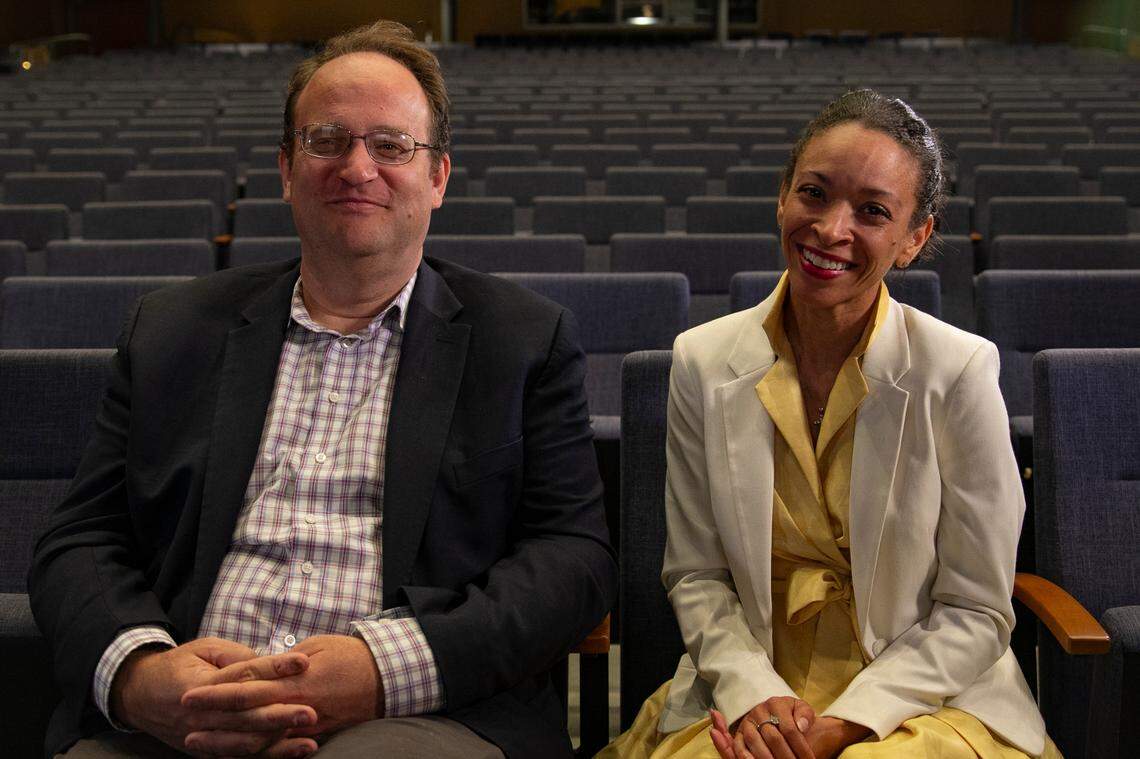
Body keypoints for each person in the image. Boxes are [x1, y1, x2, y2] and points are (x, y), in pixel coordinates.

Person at [28, 20, 615, 759]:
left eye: (391, 145)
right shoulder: (172, 329)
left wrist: (383, 667)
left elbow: (574, 558)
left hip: (416, 717)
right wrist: (142, 672)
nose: (357, 167)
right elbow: (79, 539)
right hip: (186, 714)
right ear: (285, 167)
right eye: (327, 140)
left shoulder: (524, 340)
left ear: (437, 176)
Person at [600, 90, 1060, 759]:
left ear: (914, 238)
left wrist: (847, 724)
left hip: (923, 697)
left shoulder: (958, 370)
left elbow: (977, 610)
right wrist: (757, 695)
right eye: (814, 194)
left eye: (872, 211)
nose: (831, 228)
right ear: (781, 196)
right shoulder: (702, 360)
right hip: (750, 691)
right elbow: (698, 574)